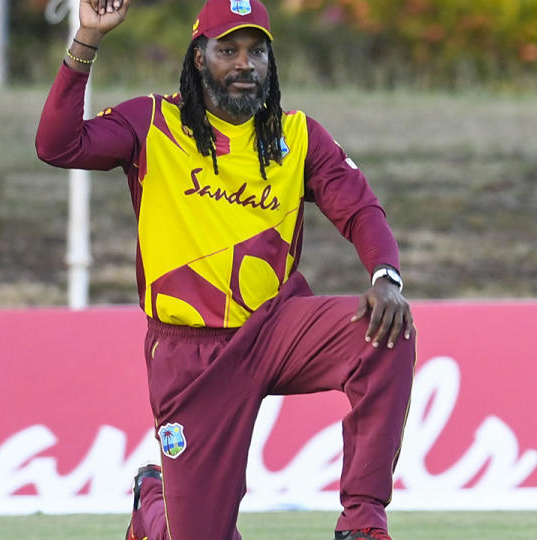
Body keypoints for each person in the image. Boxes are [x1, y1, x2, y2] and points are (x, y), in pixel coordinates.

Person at [35, 0, 415, 538]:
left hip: (273, 329)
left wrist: (385, 276)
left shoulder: (298, 136)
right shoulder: (152, 123)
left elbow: (361, 210)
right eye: (228, 50)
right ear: (198, 58)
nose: (245, 64)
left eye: (257, 50)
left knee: (385, 333)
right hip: (190, 355)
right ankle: (153, 501)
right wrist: (87, 40)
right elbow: (56, 145)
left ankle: (362, 523)